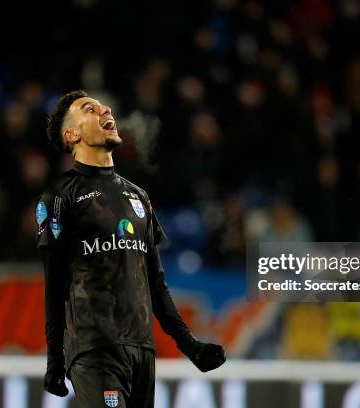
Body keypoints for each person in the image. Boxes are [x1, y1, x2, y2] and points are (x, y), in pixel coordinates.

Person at [37, 90, 225, 407]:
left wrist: (190, 346)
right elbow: (54, 283)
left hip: (142, 351)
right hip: (93, 347)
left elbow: (155, 283)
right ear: (72, 134)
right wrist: (55, 359)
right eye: (89, 108)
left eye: (103, 105)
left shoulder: (138, 197)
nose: (105, 109)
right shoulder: (59, 196)